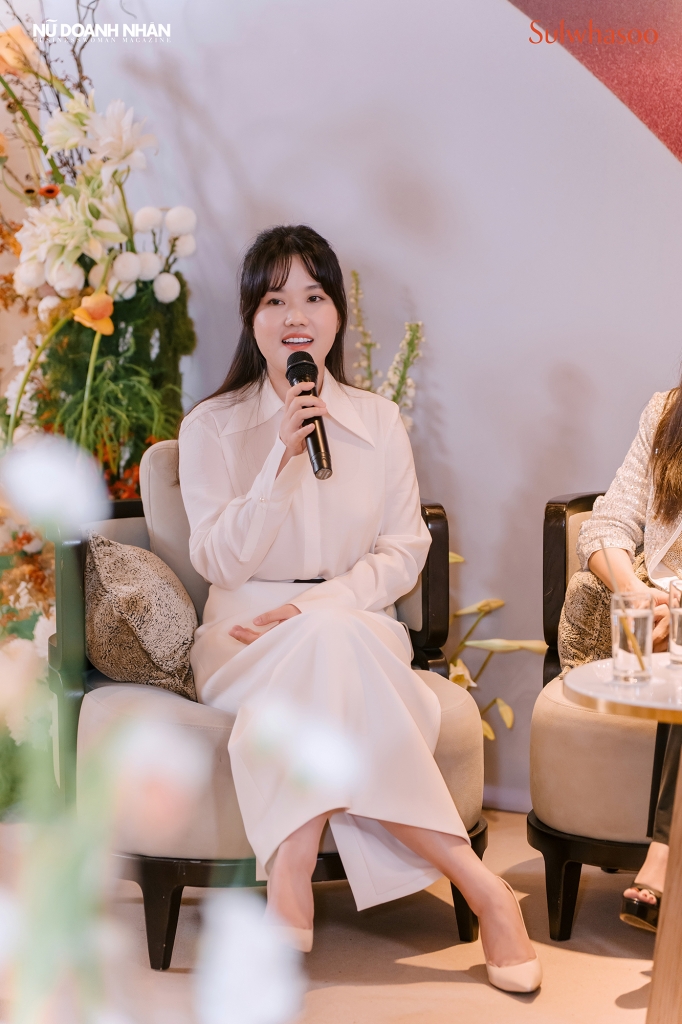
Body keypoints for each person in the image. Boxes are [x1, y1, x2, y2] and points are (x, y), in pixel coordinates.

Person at [178, 224, 541, 992]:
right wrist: (278, 463)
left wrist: (321, 607)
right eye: (275, 300)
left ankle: (292, 859)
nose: (295, 315)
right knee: (332, 645)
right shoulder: (211, 426)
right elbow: (219, 562)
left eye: (314, 296)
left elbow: (403, 550)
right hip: (244, 635)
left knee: (333, 636)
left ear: (338, 314)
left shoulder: (377, 421)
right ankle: (484, 890)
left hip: (355, 620)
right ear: (251, 318)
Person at [578, 387, 682, 932]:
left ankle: (662, 854)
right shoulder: (665, 412)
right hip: (658, 613)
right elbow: (607, 522)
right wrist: (633, 592)